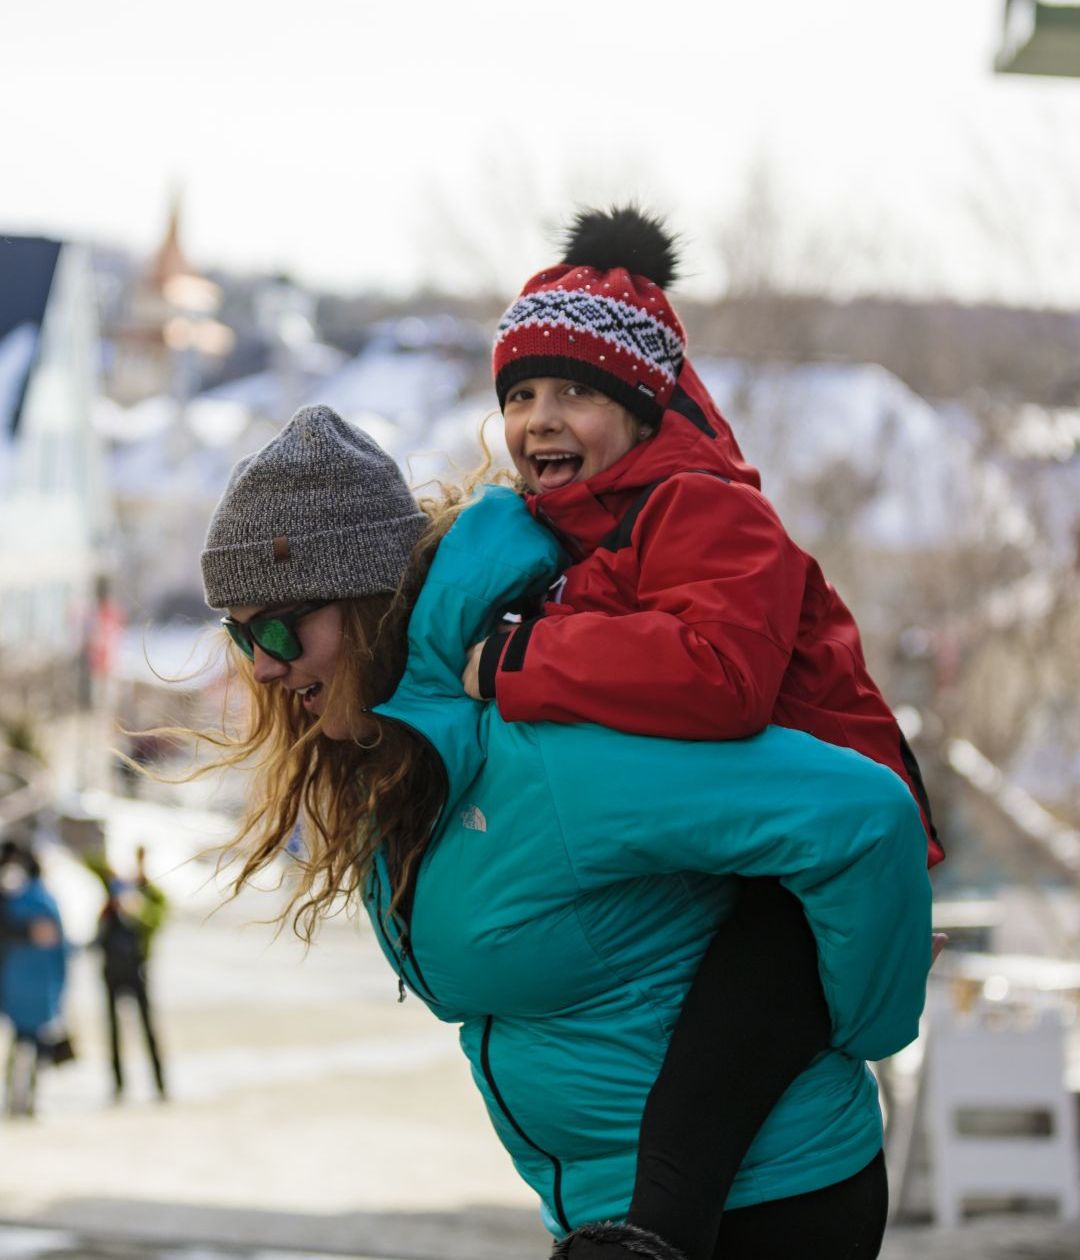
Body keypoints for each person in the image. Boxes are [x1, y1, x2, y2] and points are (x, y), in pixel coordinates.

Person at [198, 404, 931, 1259]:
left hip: (766, 1203)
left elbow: (863, 816)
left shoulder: (536, 741)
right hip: (619, 1216)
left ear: (364, 604)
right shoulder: (402, 758)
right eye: (240, 634)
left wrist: (866, 1026)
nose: (265, 665)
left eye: (281, 629)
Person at [456, 205, 944, 1258]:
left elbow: (721, 678)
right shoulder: (576, 536)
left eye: (577, 391)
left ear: (642, 406)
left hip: (812, 848)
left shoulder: (705, 509)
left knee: (724, 1047)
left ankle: (655, 1238)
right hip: (732, 835)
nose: (541, 417)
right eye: (522, 393)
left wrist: (524, 661)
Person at [88, 845, 168, 1101]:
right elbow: (91, 861)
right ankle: (118, 1085)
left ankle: (160, 1084)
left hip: (137, 969)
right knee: (112, 1030)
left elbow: (157, 919)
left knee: (147, 1028)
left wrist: (137, 907)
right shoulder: (110, 890)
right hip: (111, 968)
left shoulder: (150, 895)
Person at [0, 841, 67, 1117]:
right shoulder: (45, 902)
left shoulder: (14, 902)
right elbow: (60, 952)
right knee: (34, 1044)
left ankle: (17, 1098)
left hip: (18, 984)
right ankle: (28, 1099)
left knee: (21, 1043)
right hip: (36, 986)